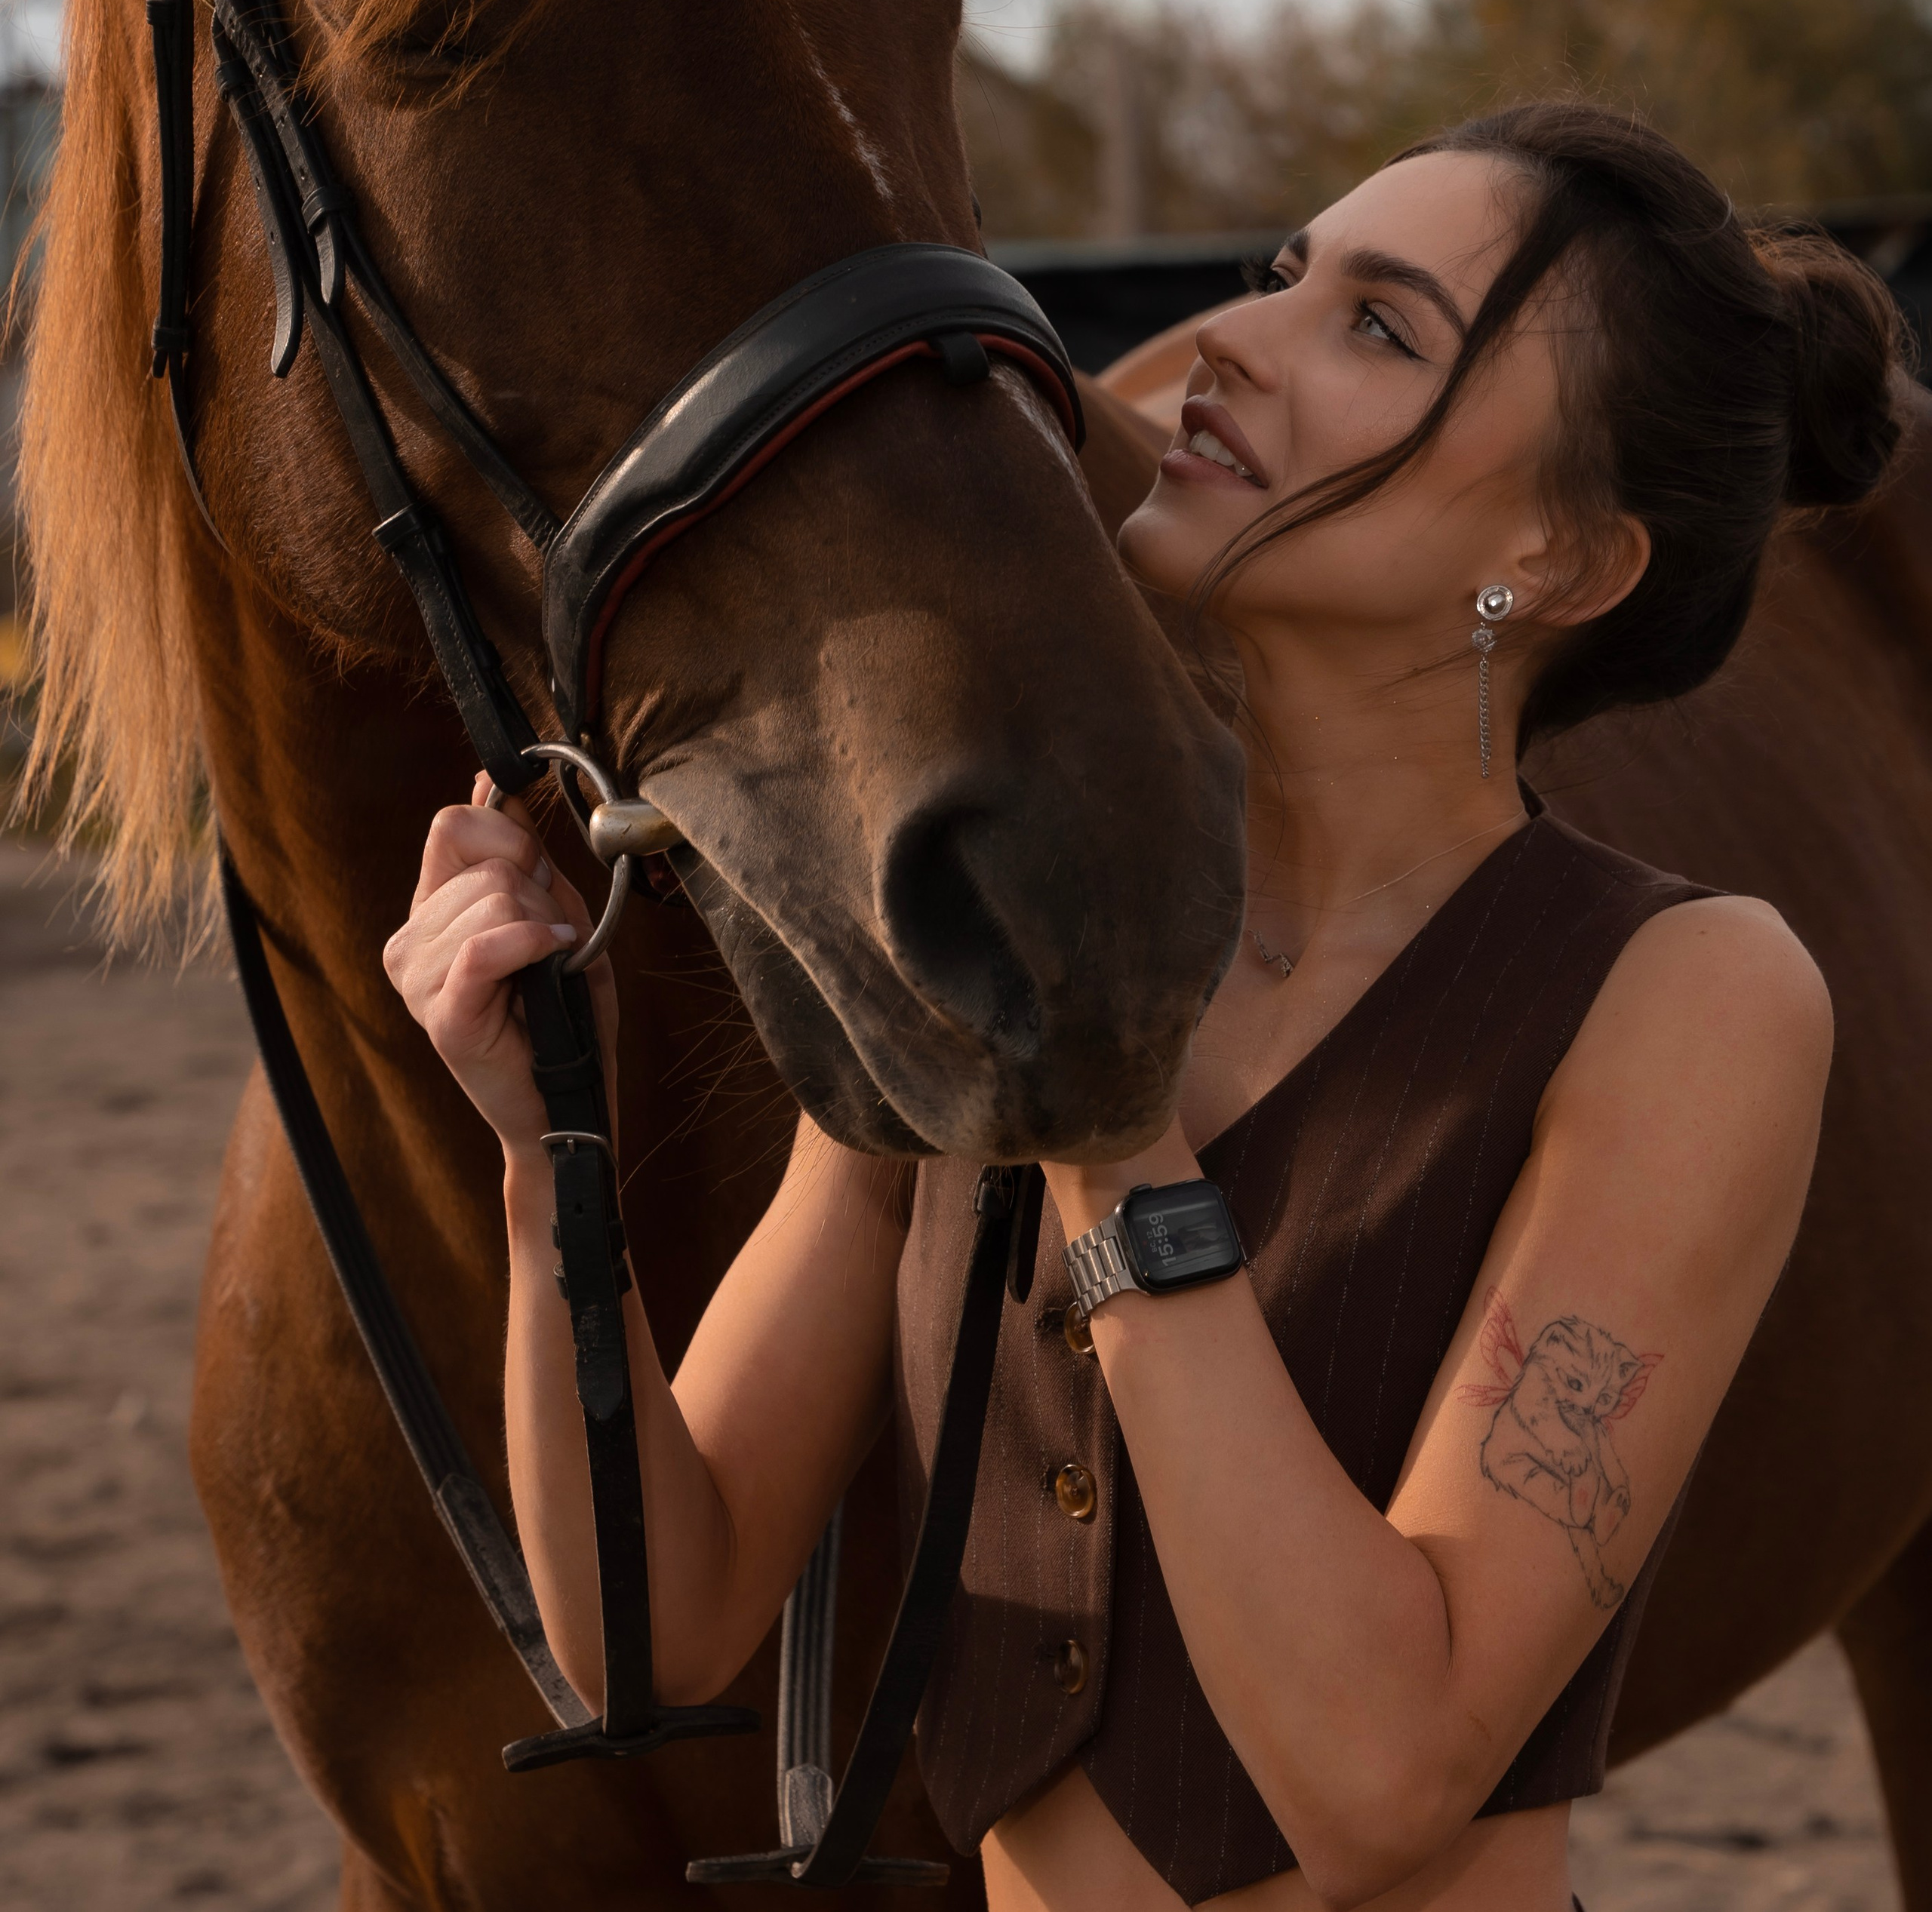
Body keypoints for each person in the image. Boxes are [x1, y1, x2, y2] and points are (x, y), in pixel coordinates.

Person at [384, 100, 1909, 1910]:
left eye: (1376, 327)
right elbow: (663, 1620)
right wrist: (546, 1148)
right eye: (1284, 276)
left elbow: (1375, 1778)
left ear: (1561, 557)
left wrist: (1111, 1131)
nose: (1231, 346)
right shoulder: (1003, 926)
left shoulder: (1680, 995)